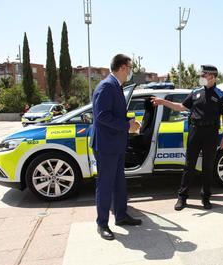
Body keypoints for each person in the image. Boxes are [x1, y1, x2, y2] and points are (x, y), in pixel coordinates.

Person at [151, 65, 223, 211]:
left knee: (207, 167)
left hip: (211, 134)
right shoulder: (195, 93)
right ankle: (182, 197)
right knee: (189, 165)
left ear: (212, 76)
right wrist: (163, 102)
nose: (201, 77)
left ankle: (206, 198)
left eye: (203, 75)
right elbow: (181, 107)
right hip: (195, 131)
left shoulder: (220, 95)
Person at [90, 54, 142, 241]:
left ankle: (121, 215)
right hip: (106, 146)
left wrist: (129, 122)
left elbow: (114, 114)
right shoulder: (106, 86)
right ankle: (102, 223)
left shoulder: (116, 87)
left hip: (116, 144)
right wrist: (127, 126)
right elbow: (102, 116)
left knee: (119, 182)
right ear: (121, 67)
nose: (130, 71)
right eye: (129, 67)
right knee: (105, 185)